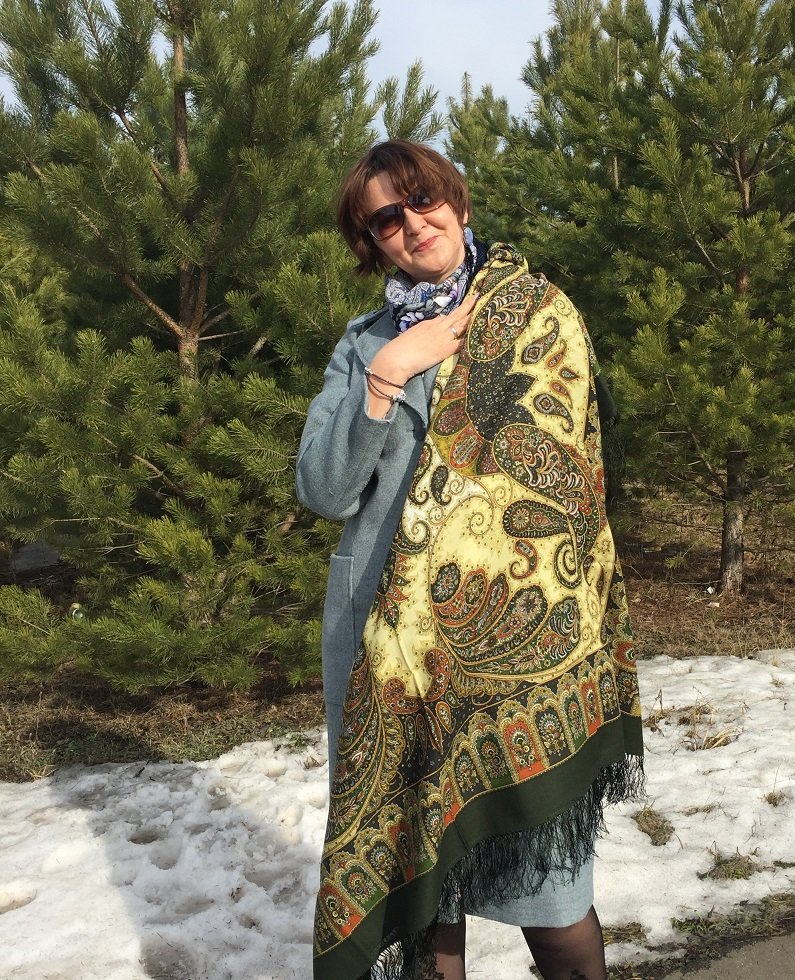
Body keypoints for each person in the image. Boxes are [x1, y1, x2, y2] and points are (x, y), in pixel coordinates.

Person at [296, 140, 643, 980]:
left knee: (553, 905)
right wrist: (387, 376)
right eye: (386, 217)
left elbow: (573, 480)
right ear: (371, 242)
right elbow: (324, 490)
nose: (412, 224)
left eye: (422, 200)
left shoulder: (538, 313)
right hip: (392, 652)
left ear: (456, 201)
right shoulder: (367, 343)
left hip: (520, 652)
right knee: (426, 912)